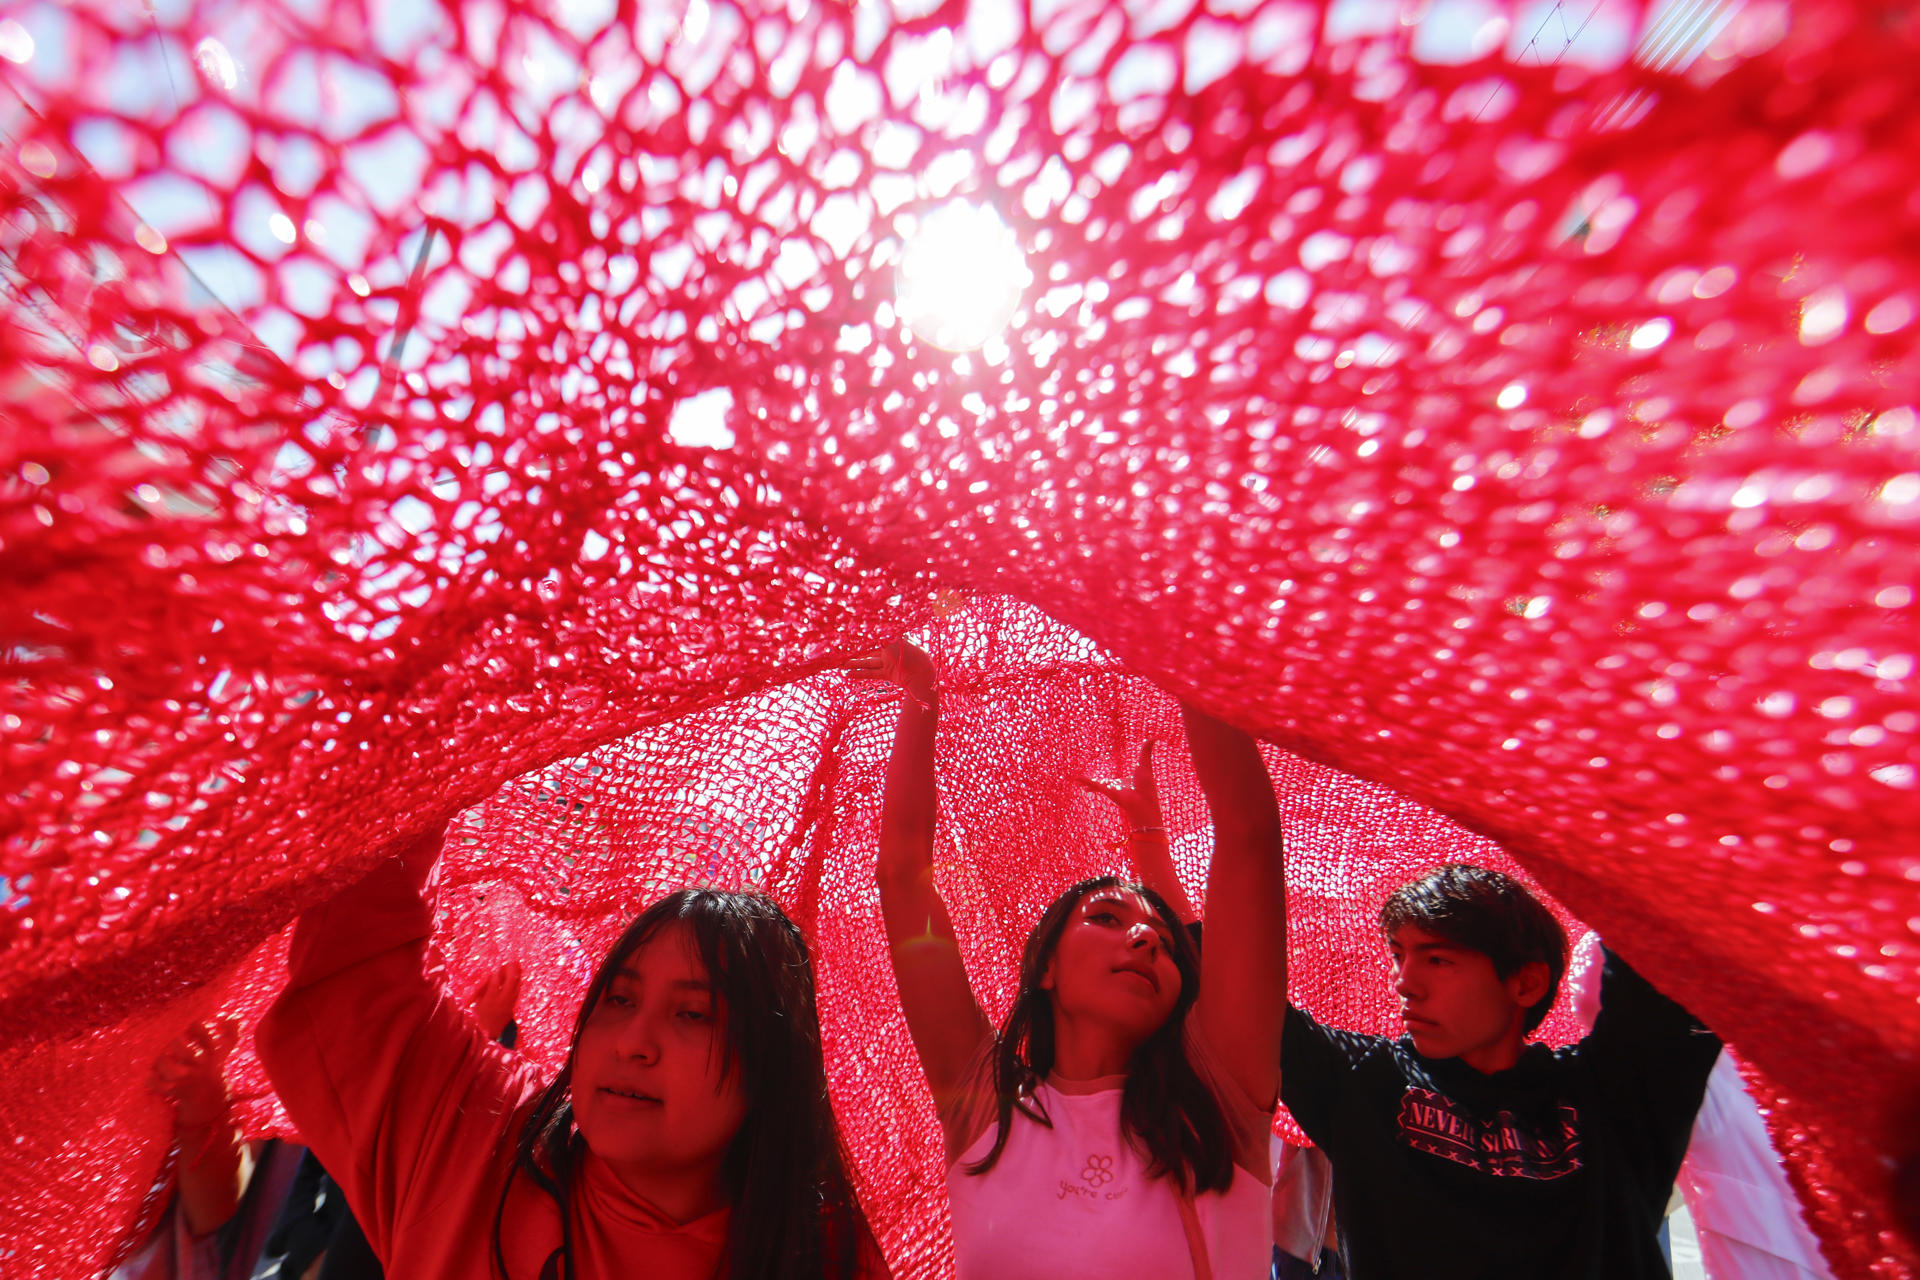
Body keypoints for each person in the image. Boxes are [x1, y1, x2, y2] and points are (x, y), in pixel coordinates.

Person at [257, 823, 886, 1280]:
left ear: (771, 1071)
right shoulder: (483, 1128)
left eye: (692, 1014)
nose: (633, 1043)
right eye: (617, 999)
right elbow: (354, 965)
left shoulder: (821, 1253)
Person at [856, 641, 1285, 1278]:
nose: (1144, 939)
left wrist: (1178, 632)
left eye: (1165, 944)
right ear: (1045, 969)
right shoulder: (985, 1106)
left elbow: (1248, 834)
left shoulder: (1219, 1101)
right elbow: (901, 875)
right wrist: (921, 691)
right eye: (1107, 919)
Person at [1280, 862, 1722, 1278]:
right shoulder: (1363, 1079)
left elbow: (1672, 892)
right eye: (1399, 954)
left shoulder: (1617, 1095)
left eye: (1438, 960)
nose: (1404, 983)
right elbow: (1227, 977)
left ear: (1526, 983)